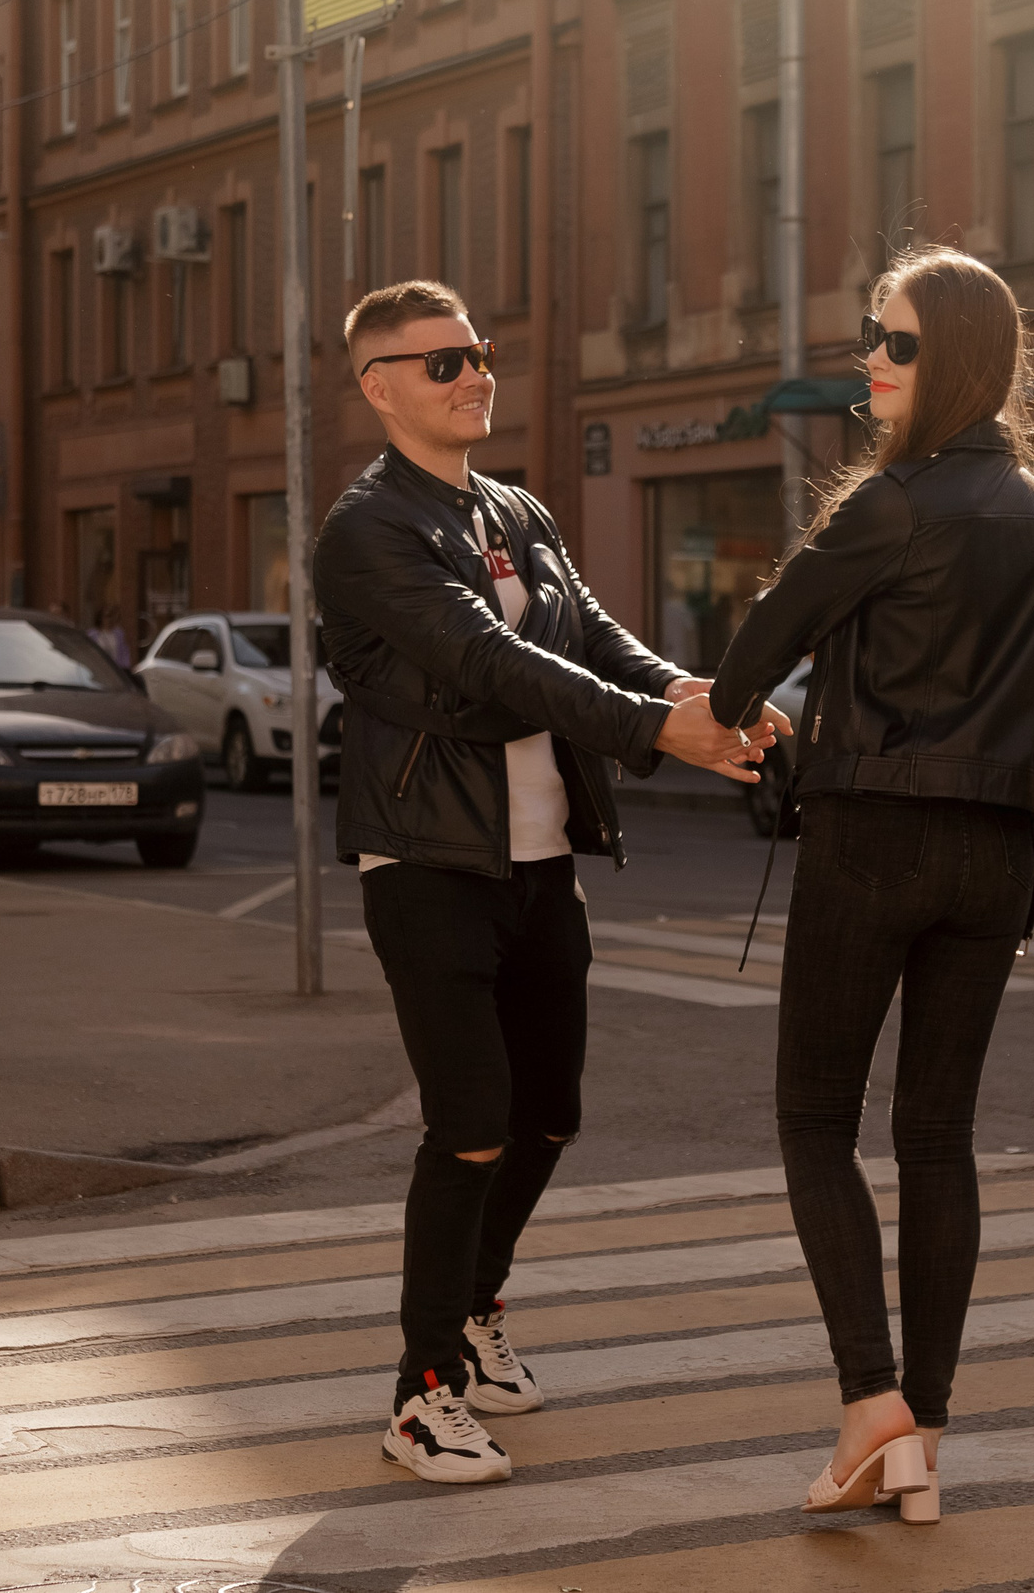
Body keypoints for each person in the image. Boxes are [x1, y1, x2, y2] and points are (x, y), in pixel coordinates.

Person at [314, 279, 778, 1484]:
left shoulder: (514, 510)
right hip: (429, 865)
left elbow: (590, 637)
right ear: (379, 388)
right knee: (469, 1125)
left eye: (479, 353)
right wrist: (657, 733)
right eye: (444, 362)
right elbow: (488, 660)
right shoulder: (368, 530)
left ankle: (476, 1308)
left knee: (549, 1115)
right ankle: (421, 1395)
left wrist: (696, 695)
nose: (475, 374)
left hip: (540, 861)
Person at [708, 246, 1034, 1525]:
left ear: (959, 363)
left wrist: (737, 713)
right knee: (938, 1139)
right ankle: (922, 1432)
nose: (872, 361)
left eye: (898, 343)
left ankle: (870, 1401)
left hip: (871, 837)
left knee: (815, 1122)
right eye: (870, 337)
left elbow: (750, 659)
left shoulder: (887, 505)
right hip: (995, 859)